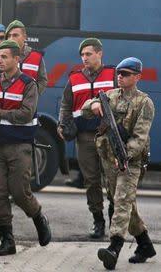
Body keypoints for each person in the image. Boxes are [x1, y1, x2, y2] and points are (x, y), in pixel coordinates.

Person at [81, 57, 156, 270]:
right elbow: (85, 109)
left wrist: (125, 155)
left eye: (126, 74)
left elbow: (140, 136)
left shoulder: (144, 102)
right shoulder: (110, 96)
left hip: (130, 162)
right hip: (108, 159)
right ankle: (145, 245)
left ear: (138, 77)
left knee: (121, 201)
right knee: (124, 203)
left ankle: (114, 248)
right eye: (119, 74)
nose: (120, 77)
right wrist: (94, 104)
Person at [0, 40, 51, 255]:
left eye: (4, 57)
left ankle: (38, 217)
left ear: (16, 59)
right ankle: (8, 239)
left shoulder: (28, 83)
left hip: (19, 145)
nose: (0, 61)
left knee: (20, 192)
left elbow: (25, 114)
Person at [57, 38, 117, 239]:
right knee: (91, 181)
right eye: (82, 55)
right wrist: (61, 124)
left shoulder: (113, 74)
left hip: (109, 136)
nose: (85, 58)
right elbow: (66, 104)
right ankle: (98, 221)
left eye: (89, 54)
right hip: (84, 138)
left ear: (100, 53)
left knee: (112, 180)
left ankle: (114, 220)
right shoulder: (74, 79)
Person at [0, 20, 47, 96]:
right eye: (9, 36)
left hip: (28, 104)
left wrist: (32, 94)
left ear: (24, 37)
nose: (11, 38)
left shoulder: (36, 56)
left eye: (15, 35)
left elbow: (42, 80)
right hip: (4, 103)